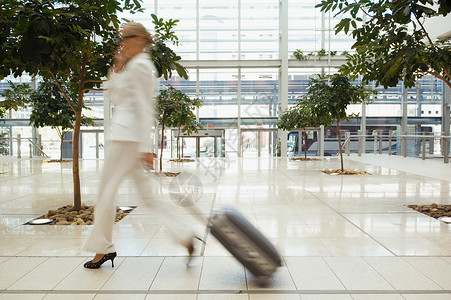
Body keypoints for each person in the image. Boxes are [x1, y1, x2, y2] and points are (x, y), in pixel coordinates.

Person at [82, 22, 197, 269]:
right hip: (128, 139)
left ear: (140, 39)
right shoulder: (132, 66)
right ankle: (185, 236)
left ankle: (102, 249)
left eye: (125, 38)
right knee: (150, 197)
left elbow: (147, 108)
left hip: (127, 140)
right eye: (120, 38)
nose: (121, 42)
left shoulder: (142, 66)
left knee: (105, 194)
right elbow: (112, 94)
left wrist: (147, 147)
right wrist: (118, 65)